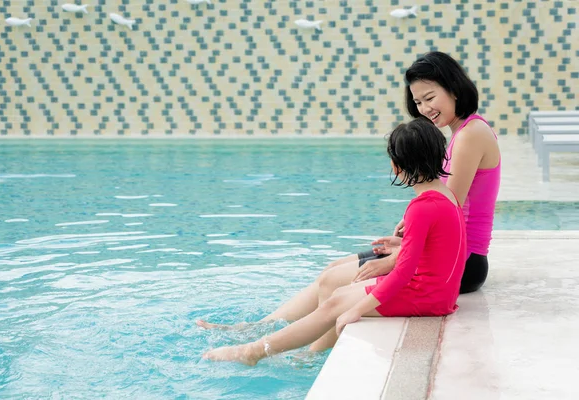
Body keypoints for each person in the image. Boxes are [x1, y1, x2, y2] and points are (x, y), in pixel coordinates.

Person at [196, 51, 501, 337]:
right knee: (332, 270)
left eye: (430, 97)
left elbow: (450, 207)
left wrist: (399, 256)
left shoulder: (470, 135)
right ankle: (264, 328)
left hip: (462, 261)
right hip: (450, 252)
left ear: (454, 89)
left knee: (333, 280)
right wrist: (404, 242)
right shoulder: (462, 132)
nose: (424, 109)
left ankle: (282, 338)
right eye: (418, 102)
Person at [201, 118, 467, 365]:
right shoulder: (445, 195)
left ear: (396, 167)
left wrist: (357, 310)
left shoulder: (421, 207)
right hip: (437, 293)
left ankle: (252, 352)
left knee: (337, 304)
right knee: (337, 295)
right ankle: (301, 354)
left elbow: (403, 272)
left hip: (426, 296)